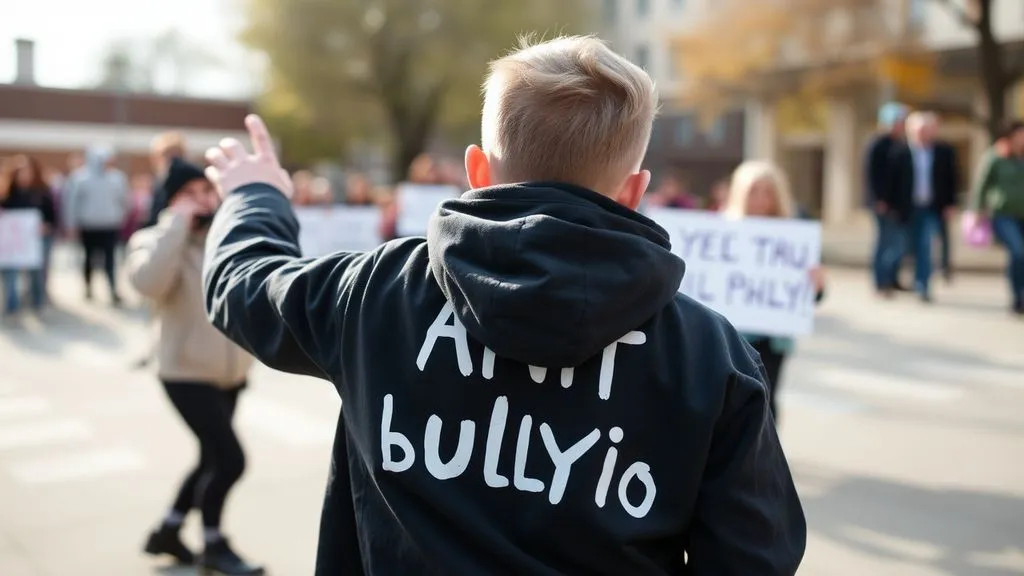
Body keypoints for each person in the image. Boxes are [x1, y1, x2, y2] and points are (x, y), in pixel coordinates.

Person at [201, 36, 805, 574]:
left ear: (478, 171)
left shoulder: (377, 290)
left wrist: (256, 196)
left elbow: (243, 283)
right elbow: (753, 555)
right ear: (633, 190)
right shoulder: (710, 356)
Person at [127, 158, 263, 575]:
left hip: (230, 375)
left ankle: (166, 531)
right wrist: (175, 225)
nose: (202, 201)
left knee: (209, 459)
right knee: (230, 460)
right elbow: (146, 283)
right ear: (170, 202)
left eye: (207, 192)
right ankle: (214, 544)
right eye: (189, 194)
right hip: (184, 372)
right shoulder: (154, 239)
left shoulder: (223, 239)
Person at [722, 160, 826, 421]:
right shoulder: (721, 234)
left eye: (767, 192)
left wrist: (817, 283)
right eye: (753, 191)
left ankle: (763, 459)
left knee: (765, 402)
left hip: (772, 340)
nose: (760, 199)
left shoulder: (792, 237)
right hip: (731, 336)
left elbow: (810, 295)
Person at [884, 111, 959, 303]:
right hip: (906, 209)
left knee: (926, 246)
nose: (923, 134)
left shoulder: (944, 152)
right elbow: (891, 183)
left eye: (927, 129)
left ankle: (923, 285)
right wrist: (888, 204)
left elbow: (952, 180)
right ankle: (887, 280)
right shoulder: (899, 152)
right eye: (919, 130)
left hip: (931, 207)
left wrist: (951, 204)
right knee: (902, 247)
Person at [967, 119, 1024, 314]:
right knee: (1017, 252)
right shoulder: (996, 156)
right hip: (1004, 214)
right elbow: (981, 185)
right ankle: (1017, 297)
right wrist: (976, 210)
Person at [63, 146, 129, 305]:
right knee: (88, 259)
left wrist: (120, 216)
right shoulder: (80, 178)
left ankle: (112, 290)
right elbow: (71, 203)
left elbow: (125, 200)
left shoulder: (117, 178)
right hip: (88, 226)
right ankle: (88, 288)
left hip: (109, 225)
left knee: (110, 260)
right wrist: (71, 224)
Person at [0, 155, 56, 315]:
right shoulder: (7, 194)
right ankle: (12, 306)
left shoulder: (42, 192)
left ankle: (38, 302)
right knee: (10, 274)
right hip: (13, 242)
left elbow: (51, 216)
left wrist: (46, 226)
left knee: (37, 273)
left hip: (36, 239)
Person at [865, 102, 909, 296]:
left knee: (897, 244)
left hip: (897, 204)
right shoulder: (877, 144)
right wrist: (878, 199)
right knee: (884, 243)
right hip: (881, 204)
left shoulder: (900, 144)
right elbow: (871, 175)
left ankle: (892, 278)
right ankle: (880, 281)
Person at [145, 132, 188, 229]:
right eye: (166, 154)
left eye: (176, 155)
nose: (171, 159)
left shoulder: (185, 181)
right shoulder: (159, 179)